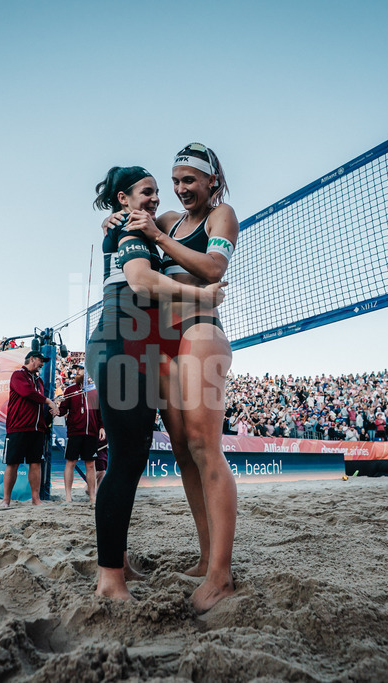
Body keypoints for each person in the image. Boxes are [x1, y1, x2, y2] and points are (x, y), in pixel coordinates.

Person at [88, 165, 225, 604]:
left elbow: (191, 243)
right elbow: (142, 280)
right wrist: (203, 297)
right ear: (124, 199)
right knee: (127, 461)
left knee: (129, 460)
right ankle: (110, 580)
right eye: (146, 192)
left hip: (139, 351)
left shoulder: (144, 230)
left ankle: (119, 562)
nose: (155, 199)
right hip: (122, 347)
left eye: (156, 192)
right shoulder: (132, 232)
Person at [121, 143, 239, 611]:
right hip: (167, 338)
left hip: (203, 330)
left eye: (190, 179)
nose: (180, 189)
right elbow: (138, 214)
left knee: (206, 447)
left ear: (211, 181)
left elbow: (214, 268)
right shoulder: (168, 218)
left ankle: (221, 574)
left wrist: (160, 236)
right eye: (176, 181)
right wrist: (115, 219)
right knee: (184, 450)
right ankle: (207, 555)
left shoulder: (220, 215)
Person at [1, 350, 59, 508]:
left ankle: (36, 499)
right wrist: (48, 401)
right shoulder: (18, 374)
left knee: (36, 463)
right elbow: (27, 392)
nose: (42, 364)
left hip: (37, 428)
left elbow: (38, 403)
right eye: (41, 361)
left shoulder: (39, 381)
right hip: (18, 427)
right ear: (32, 359)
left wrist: (50, 413)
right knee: (12, 463)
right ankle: (6, 500)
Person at [58, 364, 104, 504]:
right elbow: (63, 410)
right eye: (76, 370)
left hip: (91, 432)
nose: (77, 372)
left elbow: (100, 412)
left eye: (80, 370)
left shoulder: (95, 391)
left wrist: (102, 427)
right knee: (71, 462)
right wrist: (56, 409)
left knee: (90, 464)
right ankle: (68, 496)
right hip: (75, 431)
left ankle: (92, 497)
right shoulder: (70, 390)